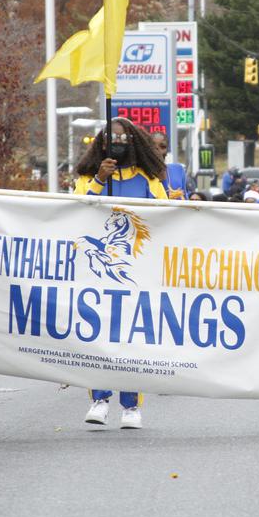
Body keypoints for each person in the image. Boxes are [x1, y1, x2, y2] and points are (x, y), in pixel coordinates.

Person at [74, 117, 168, 429]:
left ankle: (131, 406)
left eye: (122, 138)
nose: (117, 142)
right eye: (110, 137)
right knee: (96, 335)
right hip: (95, 275)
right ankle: (99, 400)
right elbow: (74, 212)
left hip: (136, 274)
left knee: (131, 338)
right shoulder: (89, 176)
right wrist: (100, 180)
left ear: (134, 143)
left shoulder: (146, 178)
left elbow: (166, 215)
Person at [151, 132, 193, 200]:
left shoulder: (178, 170)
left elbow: (185, 199)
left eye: (163, 147)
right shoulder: (140, 174)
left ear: (167, 150)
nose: (158, 150)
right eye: (153, 147)